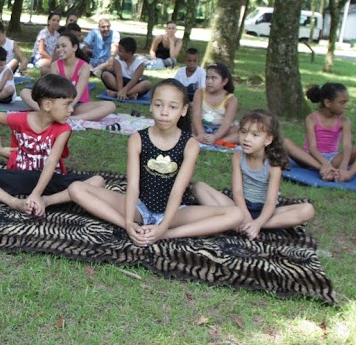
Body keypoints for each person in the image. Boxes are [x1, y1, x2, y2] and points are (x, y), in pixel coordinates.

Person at [68, 79, 241, 245]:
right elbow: (133, 186)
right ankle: (130, 226)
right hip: (139, 208)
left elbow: (177, 190)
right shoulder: (138, 138)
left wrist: (164, 227)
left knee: (236, 214)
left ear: (183, 110)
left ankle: (168, 235)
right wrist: (128, 222)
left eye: (172, 107)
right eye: (159, 105)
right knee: (76, 188)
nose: (164, 112)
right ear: (151, 105)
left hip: (175, 213)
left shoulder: (190, 144)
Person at [0, 74, 104, 215]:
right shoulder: (21, 119)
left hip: (51, 180)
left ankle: (47, 201)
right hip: (20, 175)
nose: (71, 109)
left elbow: (51, 162)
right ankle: (13, 202)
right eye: (67, 104)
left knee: (98, 181)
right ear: (47, 105)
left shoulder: (64, 129)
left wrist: (38, 195)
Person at [193, 109, 315, 238]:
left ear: (268, 140)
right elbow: (238, 192)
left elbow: (270, 201)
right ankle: (241, 223)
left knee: (307, 210)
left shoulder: (273, 165)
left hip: (266, 211)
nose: (246, 139)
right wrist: (245, 215)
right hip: (240, 207)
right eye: (244, 132)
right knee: (198, 187)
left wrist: (257, 223)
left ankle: (246, 226)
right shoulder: (238, 157)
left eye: (255, 135)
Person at [284, 81, 356, 182]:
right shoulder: (312, 118)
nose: (346, 106)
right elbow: (312, 148)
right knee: (286, 143)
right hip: (310, 158)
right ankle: (326, 169)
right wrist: (325, 164)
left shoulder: (344, 121)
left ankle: (347, 175)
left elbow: (347, 146)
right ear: (328, 102)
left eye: (346, 102)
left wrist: (343, 166)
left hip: (333, 158)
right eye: (342, 102)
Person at [22, 31, 115, 121]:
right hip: (57, 104)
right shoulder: (55, 65)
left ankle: (71, 118)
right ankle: (50, 113)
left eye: (63, 46)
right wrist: (59, 106)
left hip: (77, 105)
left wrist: (68, 107)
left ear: (74, 47)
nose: (59, 49)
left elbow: (77, 93)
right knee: (24, 92)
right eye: (57, 47)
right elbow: (52, 90)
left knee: (110, 105)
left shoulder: (84, 67)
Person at [194, 63, 238, 145]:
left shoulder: (231, 99)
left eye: (213, 78)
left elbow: (227, 122)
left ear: (224, 81)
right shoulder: (200, 92)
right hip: (200, 127)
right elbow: (196, 115)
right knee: (184, 127)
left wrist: (216, 136)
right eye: (207, 78)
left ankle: (218, 141)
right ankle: (201, 138)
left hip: (221, 130)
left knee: (239, 131)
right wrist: (201, 132)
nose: (209, 81)